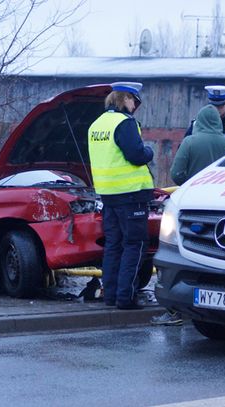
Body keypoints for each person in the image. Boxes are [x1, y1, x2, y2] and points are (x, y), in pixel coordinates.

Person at [151, 104, 225, 326]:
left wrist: (190, 184)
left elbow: (176, 173)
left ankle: (176, 310)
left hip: (196, 210)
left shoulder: (190, 142)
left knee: (186, 258)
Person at [88, 81, 154, 310]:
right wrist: (150, 151)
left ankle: (111, 295)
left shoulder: (96, 125)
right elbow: (136, 155)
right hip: (131, 196)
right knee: (134, 245)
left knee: (113, 246)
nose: (136, 106)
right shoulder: (124, 123)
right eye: (135, 101)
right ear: (125, 99)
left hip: (108, 196)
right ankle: (126, 298)